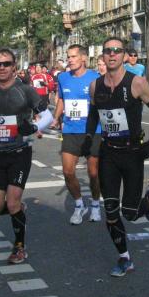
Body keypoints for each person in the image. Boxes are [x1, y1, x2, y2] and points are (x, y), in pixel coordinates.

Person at [85, 37, 149, 276]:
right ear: (102, 55)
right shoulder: (95, 86)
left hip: (132, 153)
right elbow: (93, 114)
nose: (112, 54)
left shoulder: (137, 83)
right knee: (111, 212)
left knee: (129, 213)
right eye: (108, 51)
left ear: (123, 55)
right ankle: (124, 258)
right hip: (108, 153)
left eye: (117, 50)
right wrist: (89, 138)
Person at [0, 48, 53, 264]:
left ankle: (19, 247)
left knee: (12, 202)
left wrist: (34, 127)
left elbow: (48, 116)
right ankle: (18, 209)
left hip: (20, 153)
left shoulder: (25, 91)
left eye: (6, 64)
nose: (2, 68)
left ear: (14, 67)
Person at [53, 44, 102, 224]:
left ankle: (95, 205)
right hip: (70, 130)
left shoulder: (95, 78)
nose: (70, 60)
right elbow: (62, 100)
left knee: (93, 173)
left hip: (92, 131)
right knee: (67, 171)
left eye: (73, 56)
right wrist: (55, 118)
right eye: (68, 57)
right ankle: (79, 204)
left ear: (83, 58)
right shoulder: (63, 77)